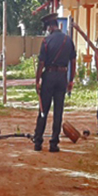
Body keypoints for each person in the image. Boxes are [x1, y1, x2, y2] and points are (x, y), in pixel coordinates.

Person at [33, 13, 76, 152]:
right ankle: (53, 144)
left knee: (43, 110)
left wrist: (37, 80)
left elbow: (41, 63)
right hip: (62, 77)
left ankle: (38, 142)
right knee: (58, 111)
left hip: (49, 77)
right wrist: (71, 80)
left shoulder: (46, 41)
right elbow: (73, 62)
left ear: (50, 27)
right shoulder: (68, 40)